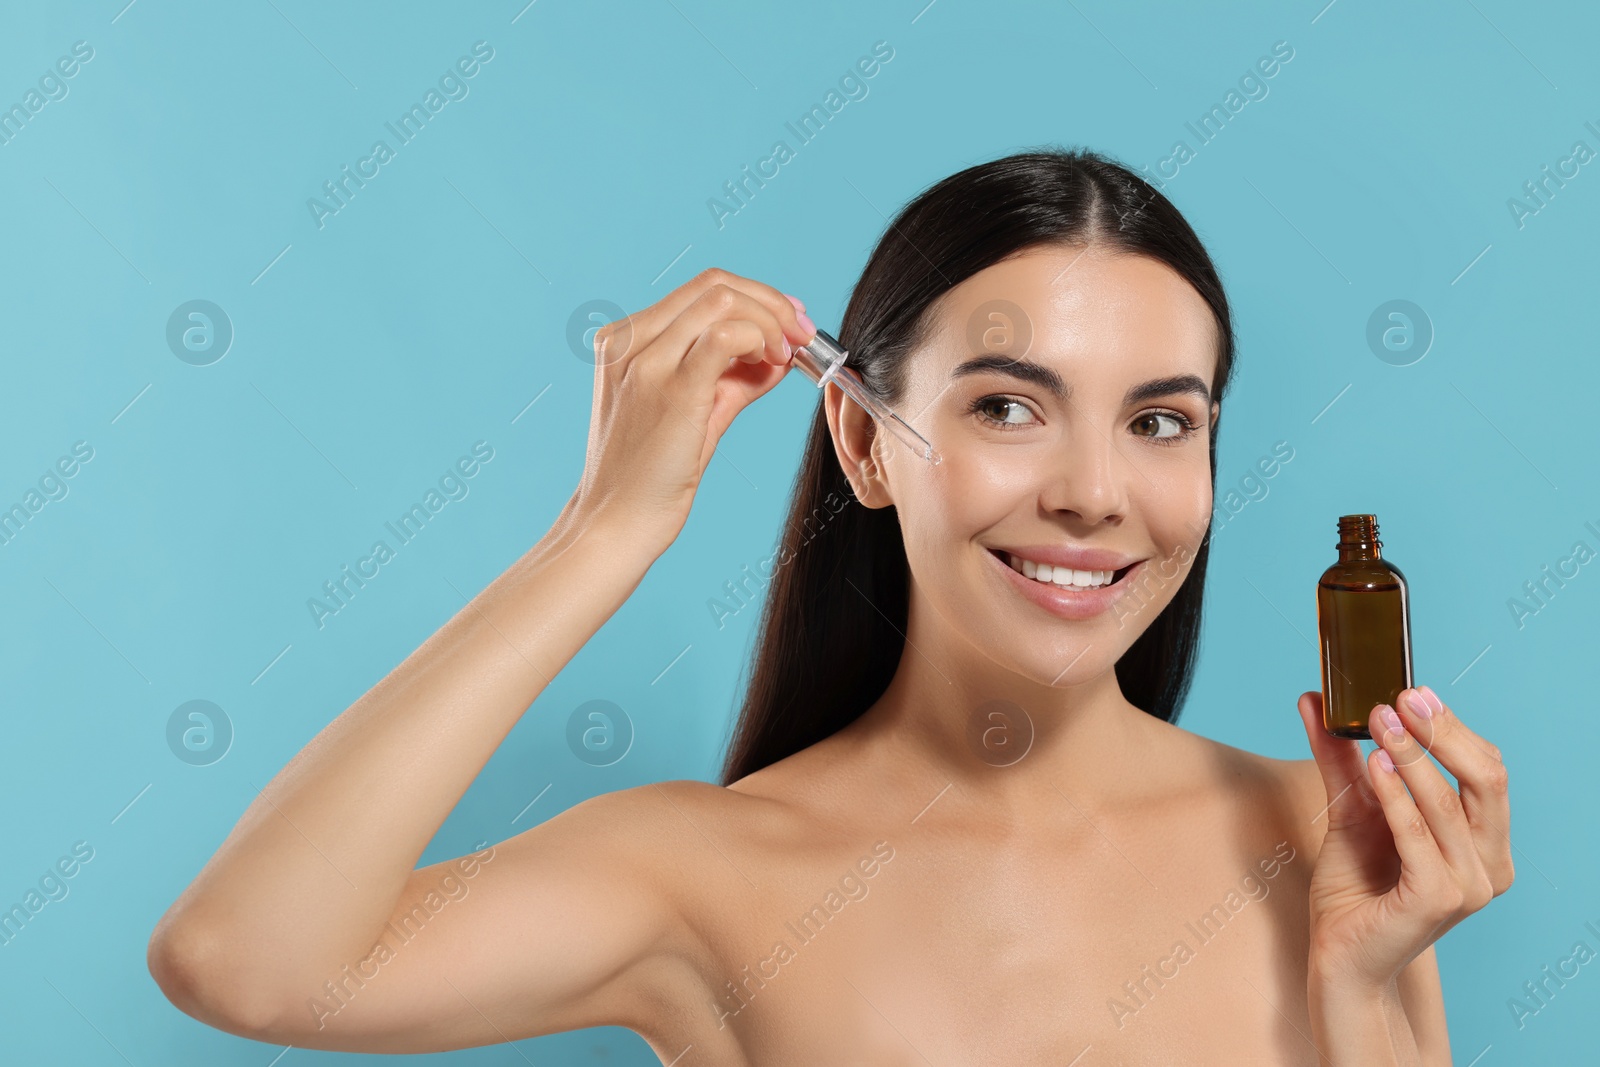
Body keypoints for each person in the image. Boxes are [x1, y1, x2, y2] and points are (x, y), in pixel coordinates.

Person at [147, 148, 1512, 1064]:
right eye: (1008, 407)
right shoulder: (704, 872)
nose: (1097, 493)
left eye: (1161, 421)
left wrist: (1352, 980)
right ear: (865, 444)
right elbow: (243, 960)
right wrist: (607, 528)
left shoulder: (1328, 842)